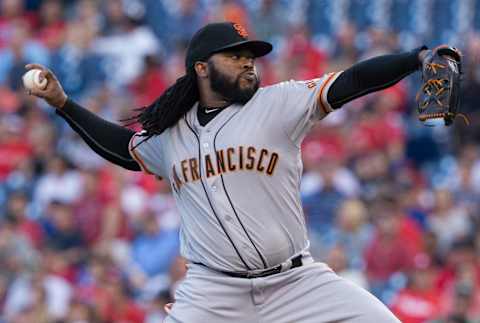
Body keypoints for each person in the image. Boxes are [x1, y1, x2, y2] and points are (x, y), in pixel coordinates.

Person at [27, 21, 434, 323]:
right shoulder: (173, 134)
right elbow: (122, 148)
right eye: (235, 56)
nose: (248, 64)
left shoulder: (279, 104)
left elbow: (352, 80)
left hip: (296, 284)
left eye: (250, 57)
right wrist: (63, 103)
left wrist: (416, 58)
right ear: (202, 68)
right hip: (212, 293)